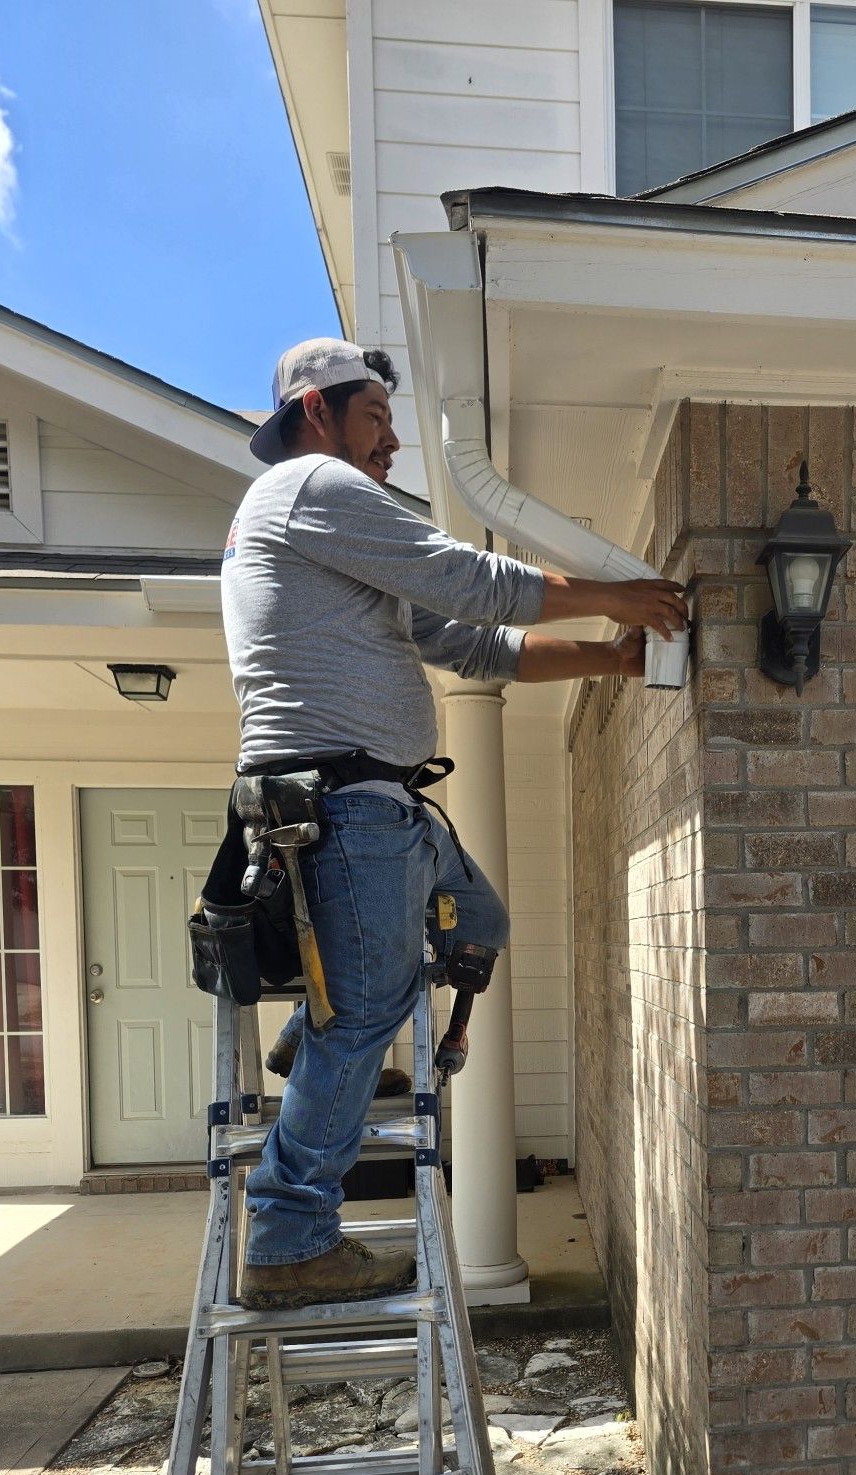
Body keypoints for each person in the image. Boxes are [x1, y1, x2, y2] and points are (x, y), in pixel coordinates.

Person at [221, 340, 687, 1310]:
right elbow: (470, 578)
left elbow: (474, 640)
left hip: (380, 809)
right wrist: (615, 590)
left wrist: (615, 658)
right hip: (345, 807)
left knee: (479, 923)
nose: (391, 441)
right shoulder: (312, 485)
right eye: (375, 418)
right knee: (365, 1015)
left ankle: (315, 1044)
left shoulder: (339, 538)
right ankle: (288, 1236)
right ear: (317, 411)